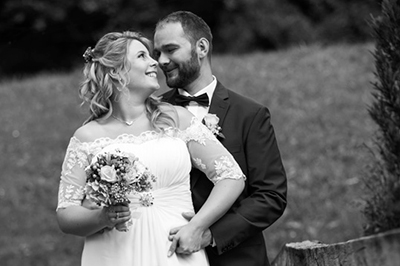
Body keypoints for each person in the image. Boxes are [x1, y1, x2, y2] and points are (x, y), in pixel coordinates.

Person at [56, 30, 246, 266]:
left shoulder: (177, 118)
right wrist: (102, 217)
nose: (155, 62)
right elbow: (65, 214)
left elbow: (231, 176)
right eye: (142, 56)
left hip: (173, 249)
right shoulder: (86, 136)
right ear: (116, 71)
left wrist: (198, 226)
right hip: (112, 254)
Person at [154, 11, 287, 266]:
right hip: (165, 254)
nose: (161, 60)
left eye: (170, 49)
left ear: (201, 47)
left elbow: (270, 196)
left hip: (235, 259)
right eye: (157, 52)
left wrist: (210, 234)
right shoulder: (152, 112)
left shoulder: (250, 114)